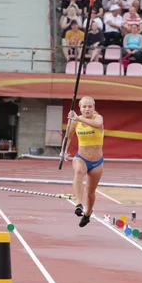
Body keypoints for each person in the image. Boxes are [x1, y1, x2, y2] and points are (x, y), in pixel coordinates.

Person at [62, 96, 104, 228]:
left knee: (90, 193)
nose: (87, 109)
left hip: (97, 162)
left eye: (90, 106)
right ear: (80, 108)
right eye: (84, 107)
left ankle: (88, 214)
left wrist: (78, 118)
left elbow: (97, 125)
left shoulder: (98, 118)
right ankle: (79, 204)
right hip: (81, 157)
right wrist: (63, 150)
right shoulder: (75, 121)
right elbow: (68, 137)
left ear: (94, 107)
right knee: (79, 171)